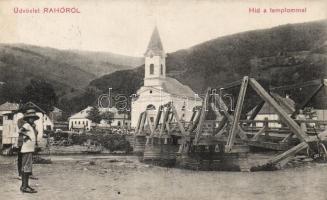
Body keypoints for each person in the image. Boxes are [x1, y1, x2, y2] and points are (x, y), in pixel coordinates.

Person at [19, 109, 39, 193]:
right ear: (27, 119)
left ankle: (24, 186)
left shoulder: (31, 126)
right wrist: (26, 136)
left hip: (29, 149)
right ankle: (25, 186)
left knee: (26, 168)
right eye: (31, 118)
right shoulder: (26, 125)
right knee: (26, 168)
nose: (32, 119)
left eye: (33, 118)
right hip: (27, 149)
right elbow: (20, 131)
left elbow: (34, 134)